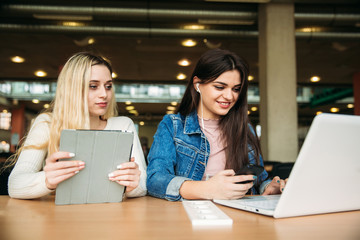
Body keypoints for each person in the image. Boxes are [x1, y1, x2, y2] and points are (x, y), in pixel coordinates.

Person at [146, 49, 286, 201]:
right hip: (188, 216)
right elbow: (155, 180)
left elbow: (257, 180)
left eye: (236, 89)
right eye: (220, 87)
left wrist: (269, 187)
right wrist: (207, 189)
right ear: (197, 84)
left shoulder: (244, 128)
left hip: (238, 216)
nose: (229, 96)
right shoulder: (173, 125)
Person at [7, 52, 147, 199]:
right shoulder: (47, 124)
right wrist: (47, 180)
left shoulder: (124, 125)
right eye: (93, 86)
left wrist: (133, 186)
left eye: (108, 86)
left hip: (111, 215)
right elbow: (15, 185)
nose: (104, 94)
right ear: (72, 88)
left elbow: (143, 185)